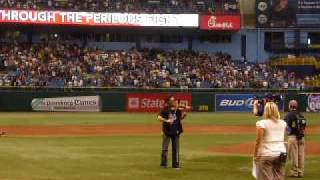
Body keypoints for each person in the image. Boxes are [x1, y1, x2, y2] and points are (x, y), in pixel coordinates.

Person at [253, 102, 287, 180]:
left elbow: (259, 141)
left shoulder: (261, 123)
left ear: (266, 111)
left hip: (267, 153)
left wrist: (256, 155)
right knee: (279, 177)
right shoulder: (283, 123)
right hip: (281, 153)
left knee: (266, 177)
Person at [157, 96, 187, 169]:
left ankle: (175, 165)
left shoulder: (177, 110)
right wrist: (167, 120)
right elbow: (159, 117)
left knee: (176, 149)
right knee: (165, 148)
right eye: (172, 100)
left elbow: (179, 119)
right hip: (167, 131)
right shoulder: (164, 110)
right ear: (168, 102)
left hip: (176, 131)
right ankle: (164, 164)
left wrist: (184, 116)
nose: (174, 101)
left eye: (174, 100)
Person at [284, 100, 306, 178]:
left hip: (293, 137)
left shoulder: (289, 115)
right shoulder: (300, 114)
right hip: (301, 137)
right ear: (296, 106)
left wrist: (289, 132)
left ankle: (295, 172)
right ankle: (300, 172)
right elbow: (303, 126)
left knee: (294, 156)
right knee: (301, 155)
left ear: (290, 106)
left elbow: (286, 127)